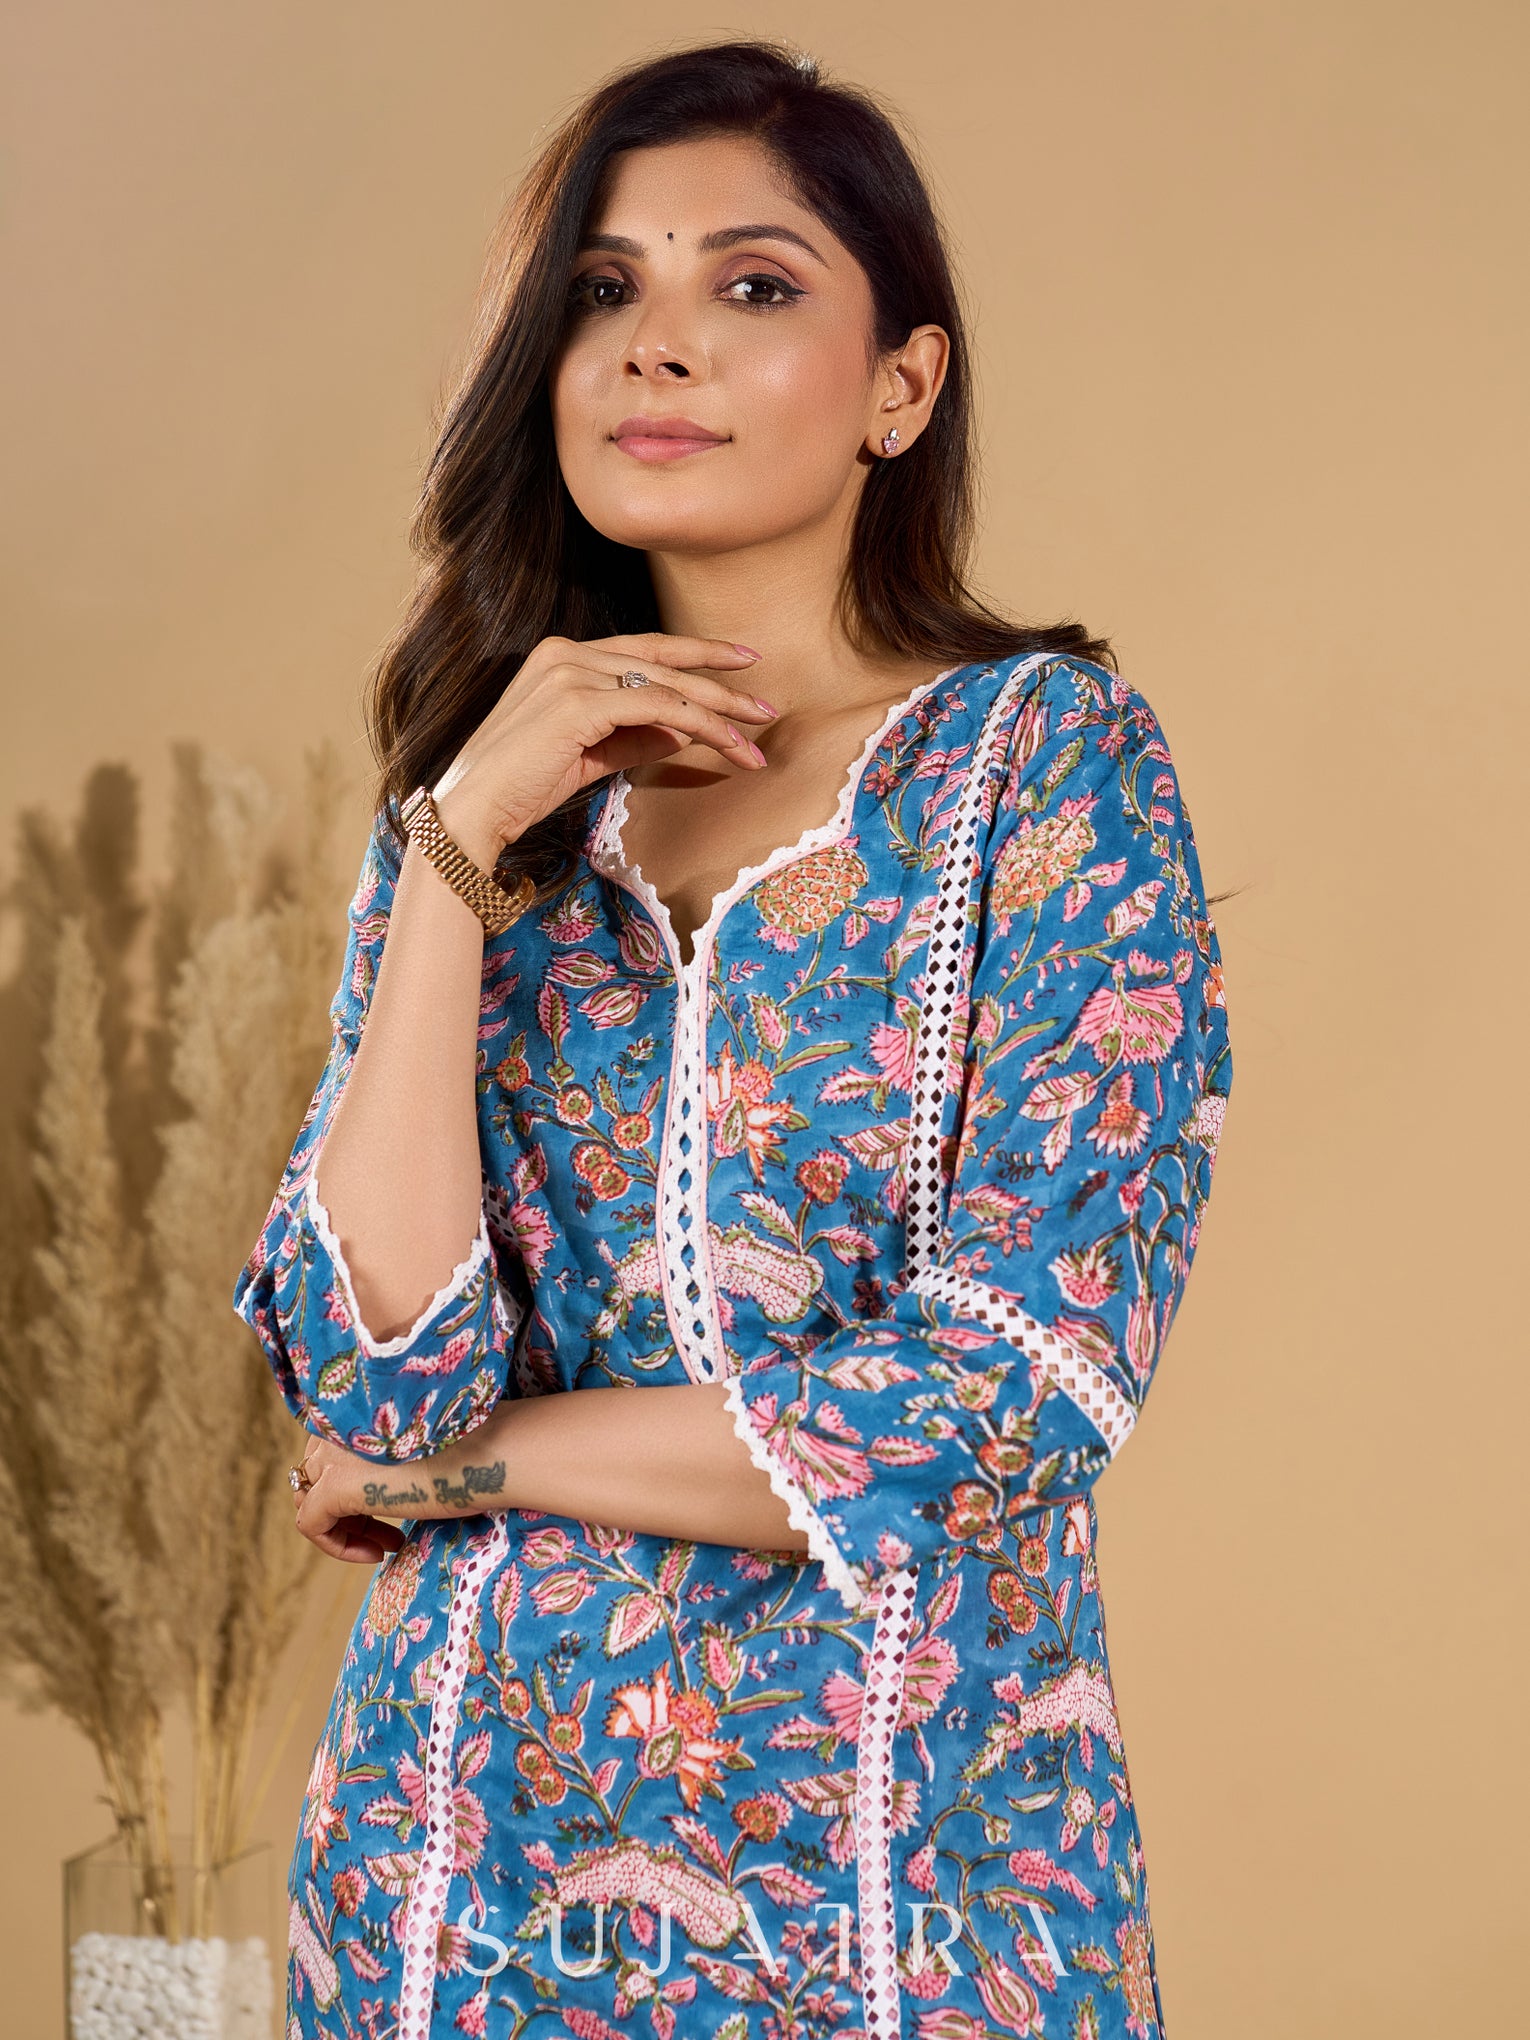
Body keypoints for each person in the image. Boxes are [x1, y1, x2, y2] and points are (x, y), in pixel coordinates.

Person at [232, 37, 1233, 2040]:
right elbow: (373, 1365)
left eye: (751, 285)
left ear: (900, 389)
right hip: (450, 1896)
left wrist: (473, 1472)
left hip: (905, 1888)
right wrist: (451, 849)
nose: (655, 345)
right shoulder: (481, 821)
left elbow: (1007, 1392)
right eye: (602, 291)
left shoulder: (1041, 769)